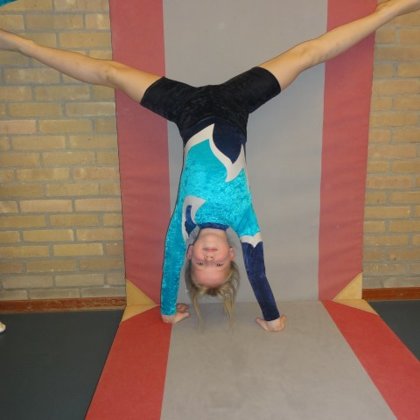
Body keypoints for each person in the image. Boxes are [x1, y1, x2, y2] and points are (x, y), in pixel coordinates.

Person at [1, 0, 419, 331]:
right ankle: (391, 10)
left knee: (111, 72)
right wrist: (272, 318)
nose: (209, 257)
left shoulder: (184, 226)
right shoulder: (245, 222)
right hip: (236, 104)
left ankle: (16, 43)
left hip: (186, 109)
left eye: (200, 263)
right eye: (218, 264)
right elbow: (259, 274)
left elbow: (170, 268)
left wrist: (168, 311)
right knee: (306, 54)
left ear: (192, 254)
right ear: (232, 255)